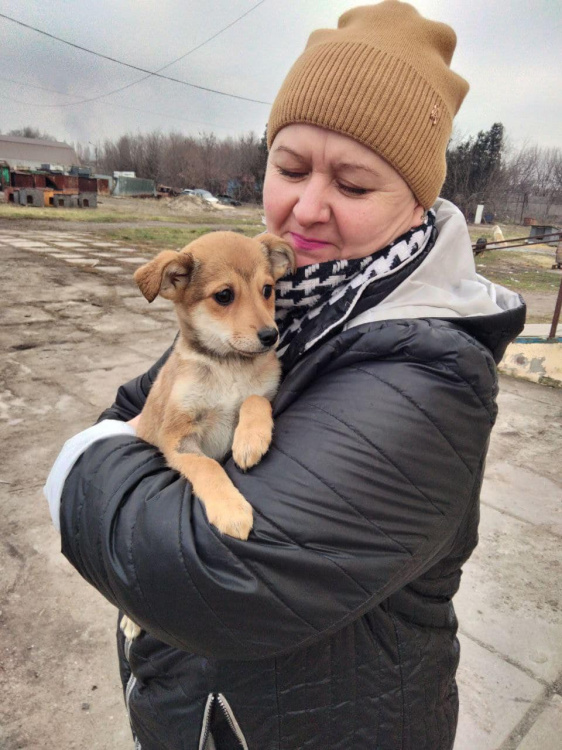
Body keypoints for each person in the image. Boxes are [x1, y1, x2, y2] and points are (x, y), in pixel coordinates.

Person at [44, 2, 525, 748]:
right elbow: (140, 404)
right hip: (205, 710)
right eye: (290, 167)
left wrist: (77, 467)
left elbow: (209, 577)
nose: (305, 207)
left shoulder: (432, 374)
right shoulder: (298, 296)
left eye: (355, 186)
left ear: (418, 201)